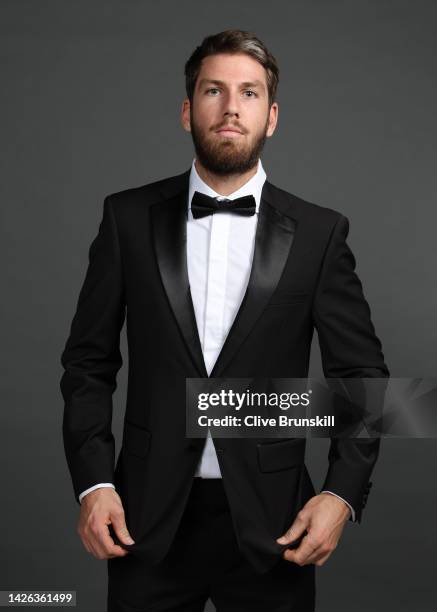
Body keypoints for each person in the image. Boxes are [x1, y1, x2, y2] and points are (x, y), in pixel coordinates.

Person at [60, 29, 389, 612]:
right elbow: (88, 363)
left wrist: (342, 493)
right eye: (214, 90)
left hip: (276, 526)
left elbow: (363, 376)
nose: (232, 107)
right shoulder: (126, 218)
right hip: (144, 522)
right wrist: (93, 482)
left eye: (250, 93)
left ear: (273, 116)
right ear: (188, 110)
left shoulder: (320, 233)